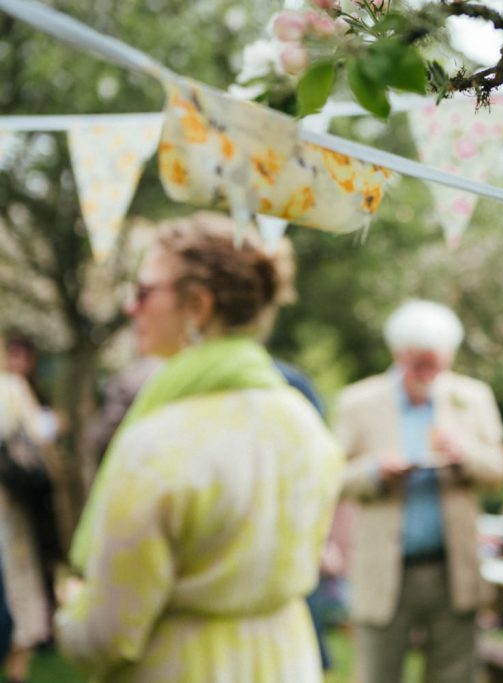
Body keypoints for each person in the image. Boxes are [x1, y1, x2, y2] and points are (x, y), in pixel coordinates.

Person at [55, 213, 343, 682]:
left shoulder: (157, 441)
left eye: (144, 292)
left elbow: (110, 634)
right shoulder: (303, 422)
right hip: (286, 660)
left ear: (198, 307)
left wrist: (71, 616)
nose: (132, 308)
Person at [333, 299, 503, 683]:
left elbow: (499, 471)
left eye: (435, 362)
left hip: (452, 568)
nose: (426, 372)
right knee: (377, 673)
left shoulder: (472, 397)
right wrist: (376, 472)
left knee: (453, 674)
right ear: (398, 353)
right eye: (417, 362)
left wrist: (463, 455)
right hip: (384, 568)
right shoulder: (358, 402)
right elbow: (334, 478)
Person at [0, 360, 52, 683]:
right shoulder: (12, 389)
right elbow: (38, 434)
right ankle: (17, 672)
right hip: (10, 511)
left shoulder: (12, 387)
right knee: (19, 591)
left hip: (10, 509)